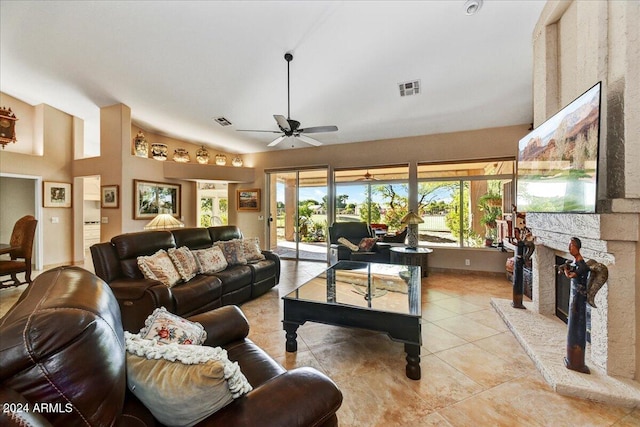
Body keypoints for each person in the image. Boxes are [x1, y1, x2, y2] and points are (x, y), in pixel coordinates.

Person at [561, 237, 591, 374]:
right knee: (572, 324)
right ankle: (572, 359)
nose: (569, 248)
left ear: (577, 247)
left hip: (579, 300)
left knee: (577, 326)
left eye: (571, 245)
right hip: (575, 298)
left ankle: (577, 361)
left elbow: (572, 275)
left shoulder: (582, 265)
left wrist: (566, 270)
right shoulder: (575, 262)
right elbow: (571, 274)